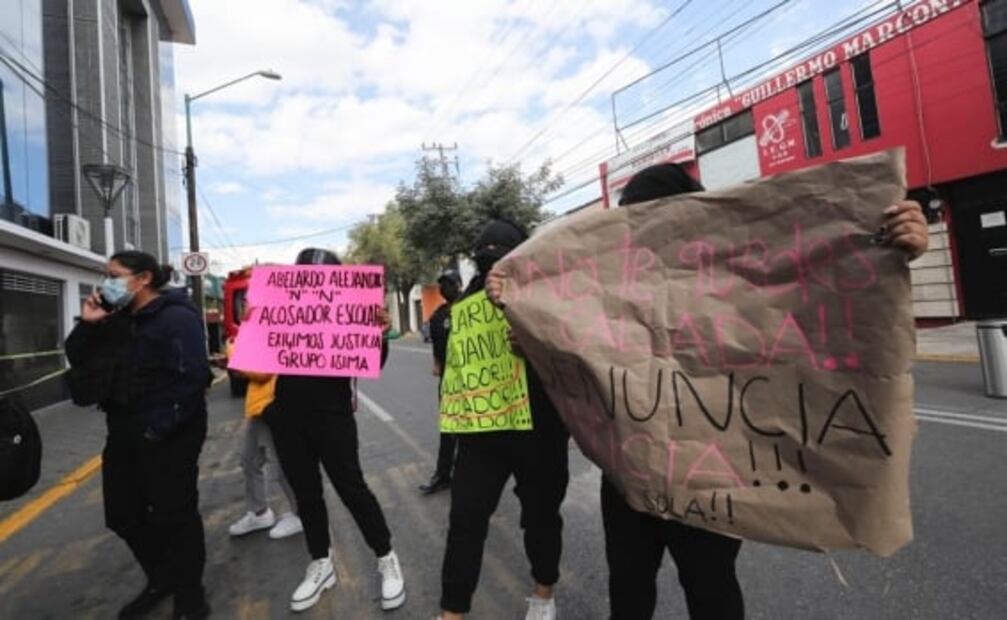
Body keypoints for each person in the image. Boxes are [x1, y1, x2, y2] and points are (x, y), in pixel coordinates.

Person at [488, 163, 930, 620]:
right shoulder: (610, 289)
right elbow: (576, 354)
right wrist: (530, 329)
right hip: (629, 469)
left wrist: (898, 243)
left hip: (708, 472)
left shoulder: (730, 279)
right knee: (629, 586)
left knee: (710, 586)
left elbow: (818, 287)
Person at [65, 251, 211, 620]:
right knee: (122, 514)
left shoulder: (176, 317)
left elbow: (193, 379)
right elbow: (77, 356)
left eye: (114, 275)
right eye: (106, 275)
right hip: (123, 428)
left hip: (170, 430)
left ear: (143, 278)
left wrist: (157, 430)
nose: (106, 282)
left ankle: (190, 595)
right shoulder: (113, 317)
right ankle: (162, 578)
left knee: (174, 514)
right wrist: (88, 322)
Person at [438, 220, 570, 620]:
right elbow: (454, 368)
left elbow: (575, 357)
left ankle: (543, 594)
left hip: (540, 432)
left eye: (500, 252)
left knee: (541, 517)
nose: (489, 260)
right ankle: (451, 612)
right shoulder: (463, 309)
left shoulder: (549, 297)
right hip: (483, 435)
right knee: (465, 518)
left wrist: (537, 341)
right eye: (483, 254)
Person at [265, 247, 406, 613]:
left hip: (332, 417)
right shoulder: (280, 313)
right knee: (306, 495)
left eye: (323, 277)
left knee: (352, 488)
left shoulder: (352, 315)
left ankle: (385, 556)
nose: (314, 283)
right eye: (306, 276)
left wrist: (378, 334)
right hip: (287, 416)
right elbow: (257, 358)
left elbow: (371, 361)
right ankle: (320, 563)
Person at [225, 333, 303, 540]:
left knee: (281, 467)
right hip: (258, 408)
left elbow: (262, 372)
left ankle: (301, 514)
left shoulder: (274, 328)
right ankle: (259, 513)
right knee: (249, 461)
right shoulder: (255, 330)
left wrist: (233, 353)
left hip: (273, 408)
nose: (246, 308)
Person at [419, 269, 463, 495]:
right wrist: (436, 363)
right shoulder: (438, 315)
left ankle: (467, 475)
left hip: (474, 381)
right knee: (448, 429)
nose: (446, 289)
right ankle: (443, 475)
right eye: (442, 285)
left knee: (471, 431)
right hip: (448, 381)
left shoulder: (472, 309)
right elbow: (437, 345)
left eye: (450, 283)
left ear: (459, 284)